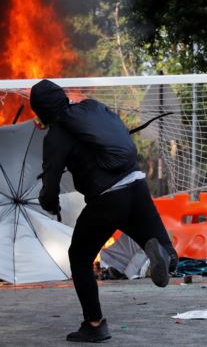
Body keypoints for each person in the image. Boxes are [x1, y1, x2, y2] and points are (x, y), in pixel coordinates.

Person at [30, 79, 178, 343]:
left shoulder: (56, 135)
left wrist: (49, 204)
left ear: (41, 112)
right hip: (136, 183)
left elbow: (50, 185)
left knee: (79, 255)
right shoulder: (92, 107)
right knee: (152, 240)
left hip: (108, 198)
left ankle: (95, 324)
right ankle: (165, 257)